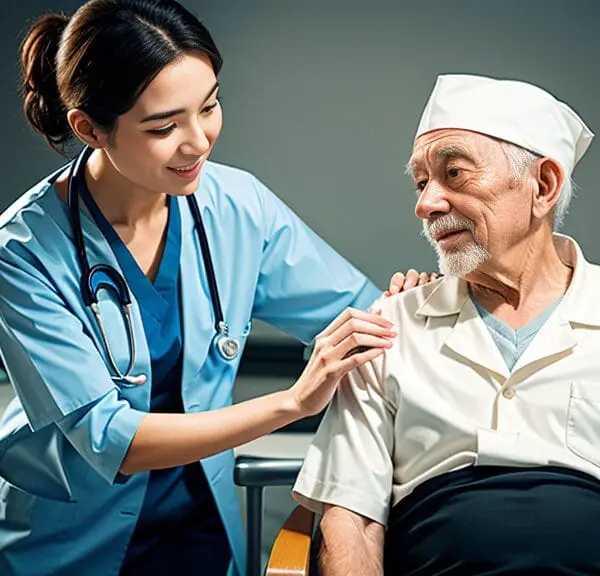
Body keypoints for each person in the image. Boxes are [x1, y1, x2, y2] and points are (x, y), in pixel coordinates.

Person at [0, 2, 431, 575]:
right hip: (72, 551)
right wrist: (292, 403)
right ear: (89, 129)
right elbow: (110, 437)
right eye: (163, 126)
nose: (198, 141)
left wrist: (412, 306)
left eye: (209, 107)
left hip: (203, 540)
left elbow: (358, 319)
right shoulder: (23, 251)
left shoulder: (236, 206)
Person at [292, 74, 600, 576]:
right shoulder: (389, 328)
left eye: (453, 174)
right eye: (420, 182)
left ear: (543, 185)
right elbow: (352, 519)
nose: (426, 203)